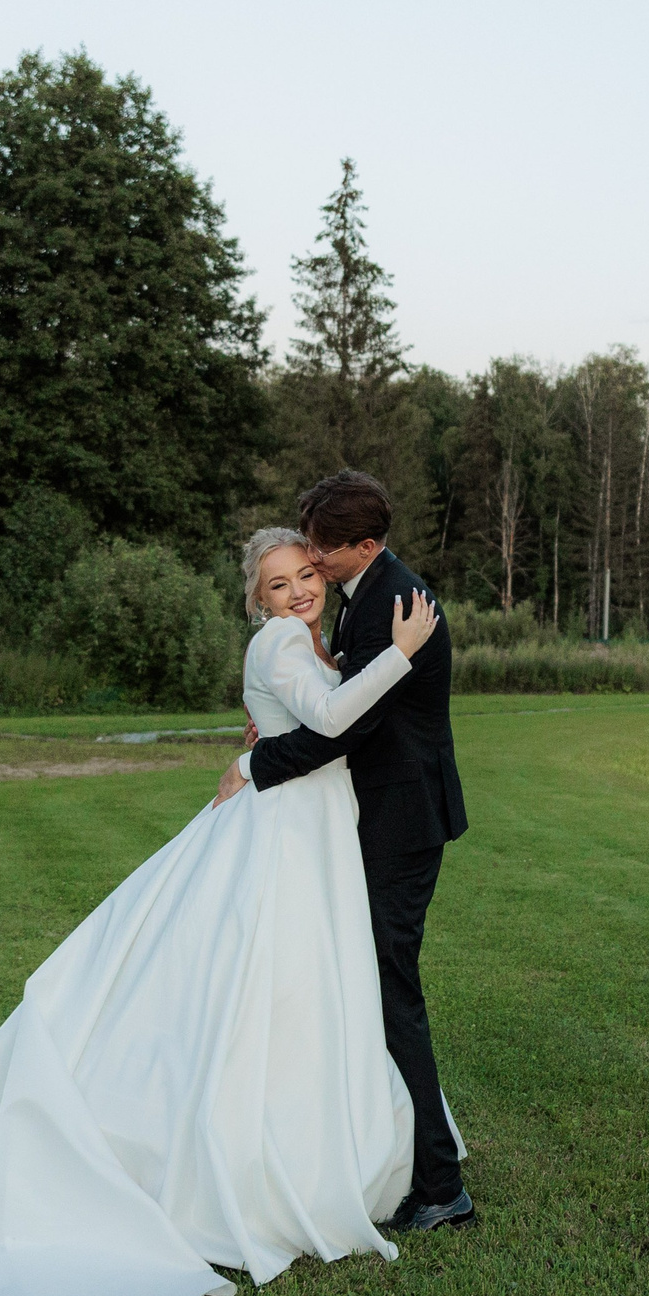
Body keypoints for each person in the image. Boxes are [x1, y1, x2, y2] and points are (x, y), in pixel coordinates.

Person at [0, 525, 447, 1296]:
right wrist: (401, 653)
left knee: (307, 984)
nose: (298, 592)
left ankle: (326, 1145)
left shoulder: (312, 642)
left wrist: (277, 726)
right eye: (278, 584)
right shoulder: (281, 641)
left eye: (306, 575)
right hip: (285, 832)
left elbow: (315, 712)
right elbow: (334, 718)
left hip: (313, 826)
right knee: (276, 981)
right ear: (257, 600)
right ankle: (267, 1162)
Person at [216, 469, 473, 1232]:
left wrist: (257, 763)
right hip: (373, 815)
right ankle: (388, 1150)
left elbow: (344, 726)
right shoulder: (362, 596)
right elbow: (328, 707)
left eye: (320, 554)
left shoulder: (394, 604)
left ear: (362, 546)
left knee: (390, 991)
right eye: (293, 567)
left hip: (400, 821)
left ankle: (439, 1184)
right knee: (360, 984)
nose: (313, 567)